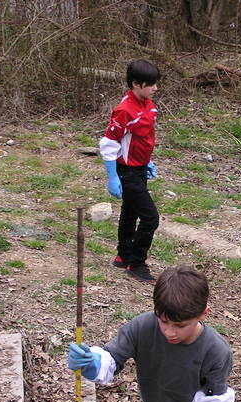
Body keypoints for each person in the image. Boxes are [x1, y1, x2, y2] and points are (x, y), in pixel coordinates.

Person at [67, 265, 234, 402]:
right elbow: (112, 357)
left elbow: (216, 401)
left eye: (180, 325)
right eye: (163, 321)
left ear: (203, 314)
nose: (169, 332)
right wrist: (91, 363)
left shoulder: (216, 351)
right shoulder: (142, 328)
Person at [99, 59, 161, 283]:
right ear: (136, 83)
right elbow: (109, 143)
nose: (155, 88)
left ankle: (123, 255)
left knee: (130, 212)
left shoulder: (148, 105)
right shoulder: (124, 110)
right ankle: (136, 263)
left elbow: (140, 138)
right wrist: (113, 175)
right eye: (151, 84)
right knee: (150, 218)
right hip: (127, 171)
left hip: (140, 167)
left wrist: (148, 161)